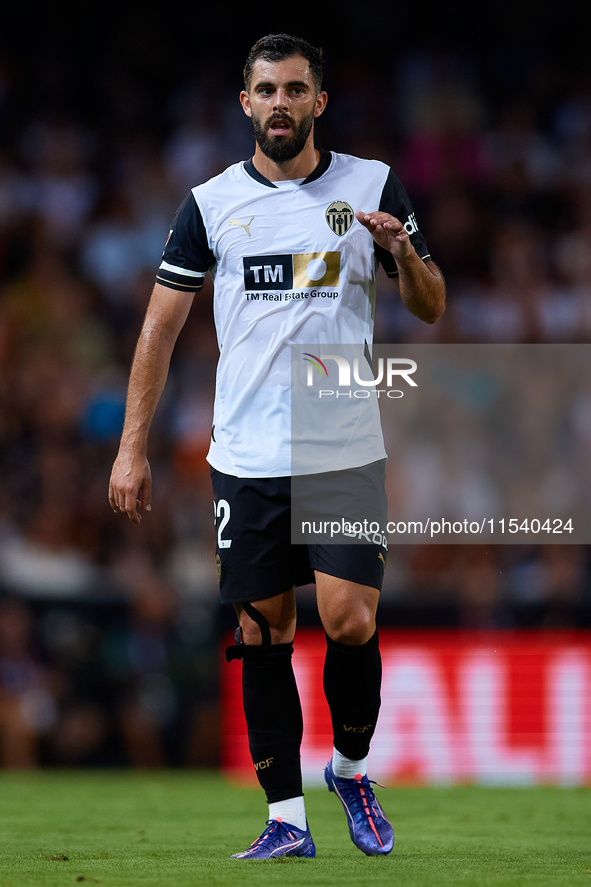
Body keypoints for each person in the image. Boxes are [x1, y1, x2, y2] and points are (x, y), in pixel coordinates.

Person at [109, 34, 445, 859]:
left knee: (350, 617)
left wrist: (399, 248)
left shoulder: (372, 185)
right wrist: (131, 447)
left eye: (296, 89)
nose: (281, 103)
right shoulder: (211, 203)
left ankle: (352, 769)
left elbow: (432, 305)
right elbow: (159, 327)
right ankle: (285, 821)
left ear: (318, 102)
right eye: (267, 90)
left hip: (341, 439)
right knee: (263, 632)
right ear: (246, 104)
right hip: (247, 454)